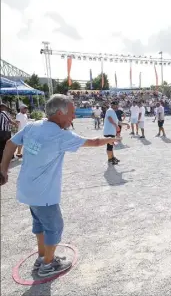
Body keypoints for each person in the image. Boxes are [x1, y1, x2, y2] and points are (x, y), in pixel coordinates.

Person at [0, 94, 120, 277]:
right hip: (44, 194)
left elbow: (10, 144)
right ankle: (48, 264)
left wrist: (3, 170)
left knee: (39, 224)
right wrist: (110, 139)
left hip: (27, 190)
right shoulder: (60, 135)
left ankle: (42, 256)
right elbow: (94, 142)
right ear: (59, 113)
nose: (73, 117)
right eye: (71, 114)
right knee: (54, 227)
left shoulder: (33, 126)